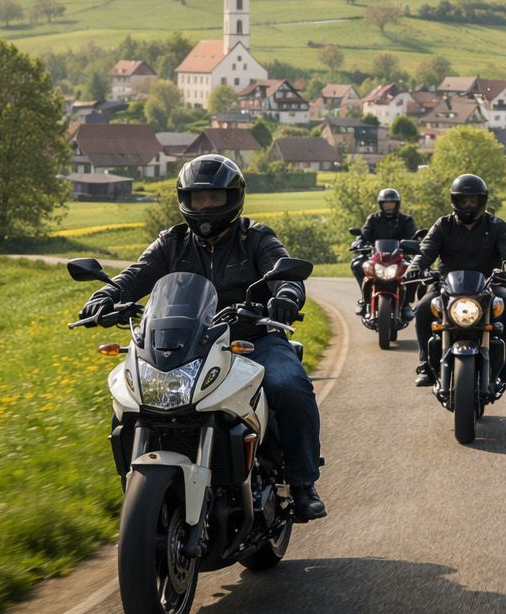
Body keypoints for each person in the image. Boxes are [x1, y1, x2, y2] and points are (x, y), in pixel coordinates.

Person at [77, 154, 327, 522]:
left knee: (289, 385)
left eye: (214, 198)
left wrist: (286, 296)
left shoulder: (256, 237)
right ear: (185, 200)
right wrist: (106, 295)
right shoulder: (172, 243)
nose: (206, 207)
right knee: (128, 401)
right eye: (197, 198)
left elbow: (282, 270)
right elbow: (137, 274)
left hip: (249, 339)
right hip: (183, 346)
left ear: (234, 198)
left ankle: (303, 484)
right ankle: (137, 490)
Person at [405, 173, 506, 390]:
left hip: (489, 285)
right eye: (464, 200)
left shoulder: (496, 225)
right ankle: (425, 364)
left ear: (482, 201)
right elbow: (425, 252)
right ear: (456, 201)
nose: (469, 205)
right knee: (424, 307)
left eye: (474, 200)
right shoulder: (443, 225)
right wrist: (414, 268)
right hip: (446, 286)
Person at [349, 187, 418, 313]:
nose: (389, 208)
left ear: (397, 205)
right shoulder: (373, 219)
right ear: (381, 205)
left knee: (414, 269)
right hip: (376, 257)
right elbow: (364, 234)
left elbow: (413, 237)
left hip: (400, 257)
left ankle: (407, 303)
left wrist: (413, 245)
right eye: (386, 205)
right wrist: (359, 242)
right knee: (357, 264)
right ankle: (365, 300)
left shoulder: (406, 220)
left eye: (392, 204)